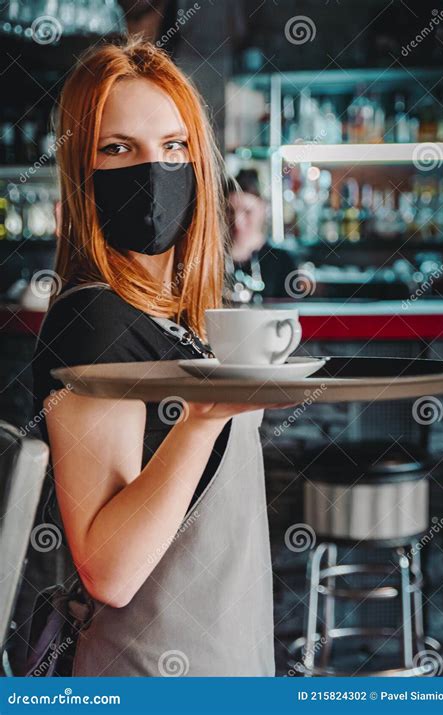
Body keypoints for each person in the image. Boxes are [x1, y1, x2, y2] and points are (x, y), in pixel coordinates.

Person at [32, 36, 291, 677]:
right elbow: (109, 571)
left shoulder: (170, 316)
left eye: (172, 147)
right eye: (118, 149)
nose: (154, 171)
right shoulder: (94, 320)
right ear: (81, 171)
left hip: (228, 653)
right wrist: (205, 417)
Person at [226, 169, 298, 301]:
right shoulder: (211, 261)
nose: (237, 222)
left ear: (263, 209)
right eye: (230, 211)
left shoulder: (281, 262)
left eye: (247, 212)